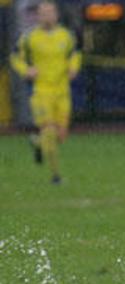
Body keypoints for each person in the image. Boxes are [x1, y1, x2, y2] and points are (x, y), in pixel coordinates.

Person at [10, 0, 81, 184]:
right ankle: (55, 175)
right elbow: (15, 57)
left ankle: (37, 142)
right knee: (49, 130)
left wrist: (73, 67)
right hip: (41, 92)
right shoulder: (30, 38)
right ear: (38, 16)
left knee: (61, 135)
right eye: (43, 13)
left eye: (50, 12)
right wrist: (26, 70)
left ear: (56, 15)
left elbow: (75, 54)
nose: (47, 16)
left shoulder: (66, 36)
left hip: (62, 92)